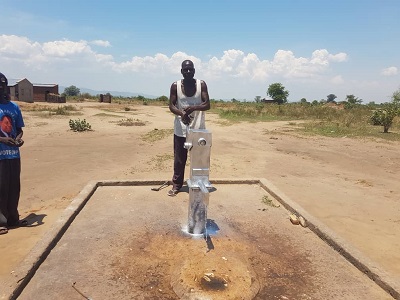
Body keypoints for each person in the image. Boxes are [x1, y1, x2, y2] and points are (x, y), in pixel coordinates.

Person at [168, 60, 210, 196]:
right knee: (179, 159)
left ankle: (198, 184)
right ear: (181, 71)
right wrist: (182, 113)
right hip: (180, 129)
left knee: (199, 159)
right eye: (185, 70)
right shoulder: (175, 86)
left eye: (190, 69)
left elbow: (207, 104)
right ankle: (177, 185)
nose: (188, 72)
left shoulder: (201, 85)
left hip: (198, 129)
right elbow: (171, 106)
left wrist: (193, 108)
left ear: (194, 70)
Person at [0, 72, 26, 235]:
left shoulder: (14, 107)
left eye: (3, 84)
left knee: (14, 187)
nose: (1, 87)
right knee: (0, 188)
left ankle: (13, 218)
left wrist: (18, 139)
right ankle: (1, 221)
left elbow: (19, 129)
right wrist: (2, 140)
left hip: (13, 155)